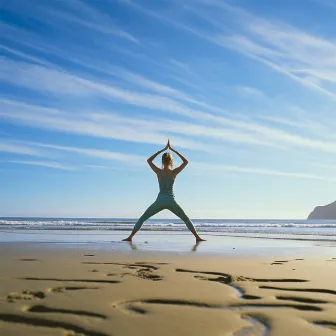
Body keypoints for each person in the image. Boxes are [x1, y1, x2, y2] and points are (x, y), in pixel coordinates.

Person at [123, 139, 206, 242]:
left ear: (162, 161)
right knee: (185, 218)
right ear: (171, 161)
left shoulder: (158, 172)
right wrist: (173, 150)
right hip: (171, 201)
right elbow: (186, 162)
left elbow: (149, 160)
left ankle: (130, 237)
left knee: (143, 217)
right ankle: (197, 237)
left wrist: (162, 150)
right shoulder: (174, 172)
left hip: (160, 201)